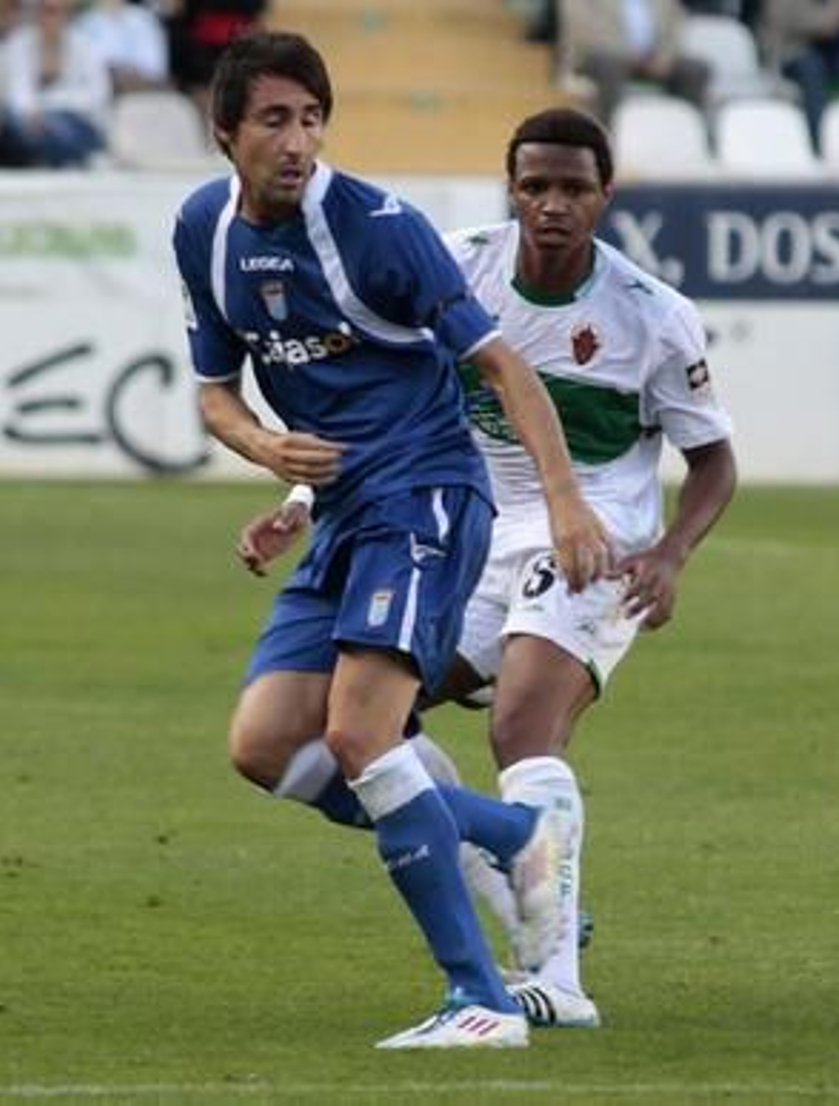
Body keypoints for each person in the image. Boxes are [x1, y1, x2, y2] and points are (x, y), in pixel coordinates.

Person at [234, 106, 738, 1029]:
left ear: (605, 196)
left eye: (574, 189)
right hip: (457, 526)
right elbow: (379, 409)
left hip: (591, 541)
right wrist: (302, 505)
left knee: (521, 723)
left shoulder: (654, 316)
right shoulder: (456, 265)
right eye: (536, 186)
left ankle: (557, 979)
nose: (553, 206)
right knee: (337, 736)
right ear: (512, 189)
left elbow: (714, 460)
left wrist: (670, 555)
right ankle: (519, 875)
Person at [171, 31, 613, 1049]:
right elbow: (212, 389)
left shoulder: (378, 227)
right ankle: (513, 836)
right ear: (225, 131)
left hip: (423, 495)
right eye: (275, 119)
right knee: (268, 742)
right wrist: (267, 448)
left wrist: (563, 503)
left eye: (312, 118)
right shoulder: (203, 229)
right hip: (340, 516)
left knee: (364, 737)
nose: (298, 140)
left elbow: (503, 367)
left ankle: (483, 999)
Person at [558, 0, 710, 125]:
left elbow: (675, 26)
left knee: (695, 69)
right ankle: (611, 132)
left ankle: (685, 131)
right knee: (610, 64)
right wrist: (629, 56)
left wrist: (664, 58)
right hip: (598, 57)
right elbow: (583, 30)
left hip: (652, 60)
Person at [0, 0, 112, 168]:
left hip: (75, 122)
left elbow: (97, 94)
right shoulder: (19, 44)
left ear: (67, 14)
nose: (49, 18)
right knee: (14, 125)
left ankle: (53, 155)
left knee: (64, 131)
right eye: (44, 10)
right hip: (28, 124)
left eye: (54, 11)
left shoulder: (86, 46)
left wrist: (46, 111)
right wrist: (31, 115)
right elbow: (17, 92)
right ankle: (64, 157)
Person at [760, 0, 839, 150]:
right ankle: (820, 140)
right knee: (811, 66)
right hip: (789, 55)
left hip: (825, 54)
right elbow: (795, 21)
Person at [77, 0, 171, 93]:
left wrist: (124, 73)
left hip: (140, 95)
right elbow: (82, 72)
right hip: (93, 96)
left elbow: (156, 70)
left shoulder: (144, 19)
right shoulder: (84, 23)